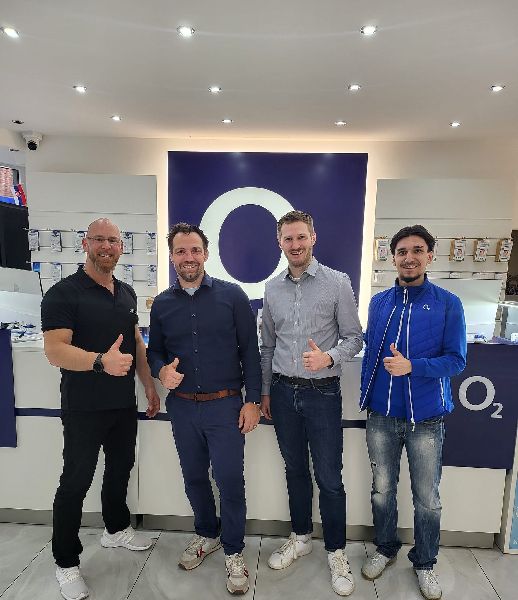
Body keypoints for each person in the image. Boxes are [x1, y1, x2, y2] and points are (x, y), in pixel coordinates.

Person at [41, 218, 160, 600]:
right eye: (99, 240)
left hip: (122, 404)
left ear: (121, 247)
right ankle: (66, 563)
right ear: (85, 244)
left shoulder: (125, 293)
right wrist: (99, 361)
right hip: (83, 407)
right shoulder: (63, 293)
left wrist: (148, 385)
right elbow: (55, 350)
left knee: (120, 468)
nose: (106, 246)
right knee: (75, 482)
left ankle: (116, 529)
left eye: (113, 240)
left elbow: (136, 345)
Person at [147, 222, 261, 595]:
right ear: (172, 256)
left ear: (206, 254)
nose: (189, 257)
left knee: (229, 481)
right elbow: (154, 351)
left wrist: (252, 400)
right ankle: (207, 534)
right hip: (182, 408)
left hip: (225, 406)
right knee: (194, 477)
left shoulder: (233, 296)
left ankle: (233, 551)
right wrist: (160, 371)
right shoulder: (162, 304)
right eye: (181, 251)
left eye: (195, 250)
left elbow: (251, 351)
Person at [360, 225, 466, 600]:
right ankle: (386, 548)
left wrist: (413, 367)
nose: (409, 257)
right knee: (382, 491)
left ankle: (424, 563)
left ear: (429, 256)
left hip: (427, 419)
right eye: (402, 251)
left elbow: (456, 360)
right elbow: (370, 351)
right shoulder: (379, 303)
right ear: (393, 258)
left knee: (427, 499)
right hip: (381, 417)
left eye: (417, 250)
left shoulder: (448, 303)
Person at [260, 210, 363, 597]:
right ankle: (301, 537)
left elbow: (355, 338)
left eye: (301, 237)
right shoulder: (272, 289)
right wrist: (266, 392)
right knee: (295, 471)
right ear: (280, 243)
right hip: (283, 393)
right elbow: (267, 346)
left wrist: (329, 358)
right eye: (288, 239)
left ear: (313, 238)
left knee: (330, 477)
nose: (295, 245)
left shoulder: (338, 283)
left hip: (323, 393)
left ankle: (336, 552)